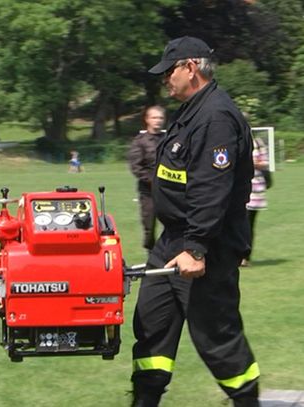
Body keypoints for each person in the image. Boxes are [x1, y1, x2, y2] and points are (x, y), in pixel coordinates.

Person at [130, 36, 260, 407]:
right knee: (152, 328)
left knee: (216, 337)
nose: (165, 79)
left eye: (169, 71)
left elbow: (211, 189)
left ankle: (247, 401)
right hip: (171, 242)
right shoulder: (190, 111)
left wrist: (196, 248)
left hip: (204, 248)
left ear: (190, 67)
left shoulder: (216, 116)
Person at [128, 106, 166, 252]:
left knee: (173, 223)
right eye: (154, 117)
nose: (158, 121)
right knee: (149, 226)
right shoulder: (140, 141)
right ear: (147, 120)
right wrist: (153, 180)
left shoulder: (169, 139)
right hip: (148, 191)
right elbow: (136, 167)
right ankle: (151, 251)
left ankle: (169, 252)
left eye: (160, 118)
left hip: (168, 190)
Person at [242, 137, 269, 267]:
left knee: (248, 225)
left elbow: (265, 163)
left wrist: (252, 163)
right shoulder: (233, 140)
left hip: (256, 190)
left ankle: (245, 257)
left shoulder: (258, 143)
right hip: (238, 189)